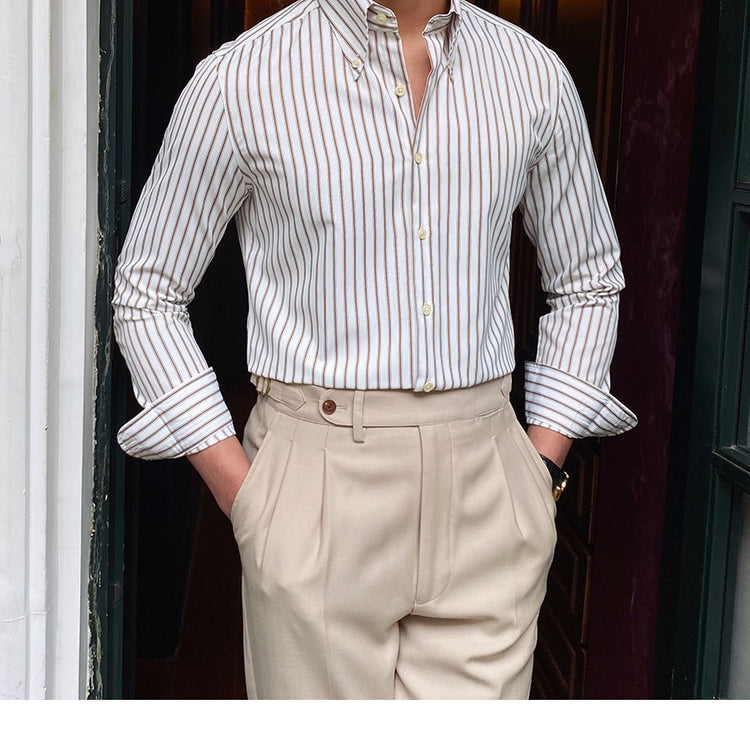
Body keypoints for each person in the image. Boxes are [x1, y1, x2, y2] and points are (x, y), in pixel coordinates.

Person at [113, 0, 637, 699]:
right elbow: (149, 292)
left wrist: (538, 470)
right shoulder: (241, 80)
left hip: (489, 486)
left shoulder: (532, 75)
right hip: (316, 486)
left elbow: (588, 280)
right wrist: (251, 499)